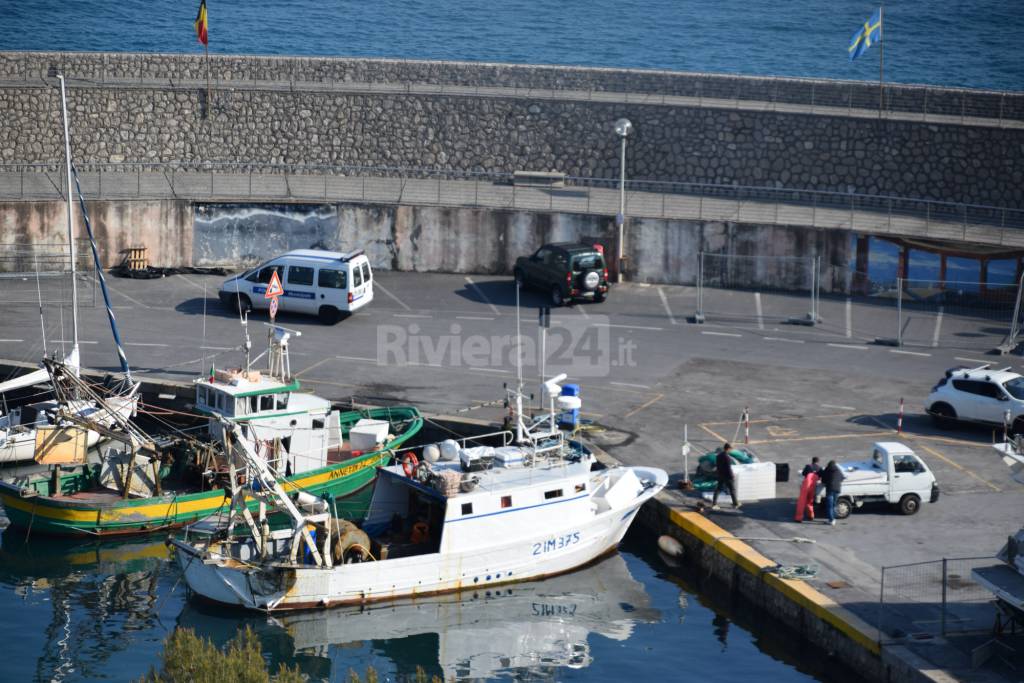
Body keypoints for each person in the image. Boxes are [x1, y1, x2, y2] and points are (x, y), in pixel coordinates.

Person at [711, 443, 741, 511]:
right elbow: (728, 468)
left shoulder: (719, 455)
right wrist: (732, 476)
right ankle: (735, 503)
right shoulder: (727, 457)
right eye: (731, 449)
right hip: (727, 476)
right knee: (732, 490)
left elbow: (718, 466)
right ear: (728, 449)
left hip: (720, 475)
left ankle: (714, 504)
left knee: (718, 489)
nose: (731, 450)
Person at [794, 458, 820, 522]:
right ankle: (811, 516)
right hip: (813, 487)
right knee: (810, 501)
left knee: (802, 502)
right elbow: (820, 477)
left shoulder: (808, 466)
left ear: (812, 461)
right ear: (818, 462)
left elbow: (803, 473)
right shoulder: (819, 468)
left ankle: (798, 518)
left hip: (806, 486)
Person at [821, 460, 845, 526]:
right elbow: (843, 478)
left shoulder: (827, 470)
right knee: (834, 505)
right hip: (837, 489)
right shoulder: (838, 470)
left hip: (830, 489)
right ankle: (833, 518)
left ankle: (831, 520)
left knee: (829, 506)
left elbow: (823, 480)